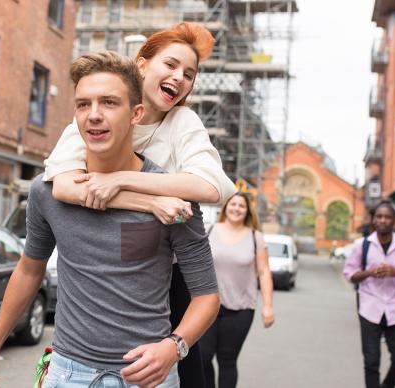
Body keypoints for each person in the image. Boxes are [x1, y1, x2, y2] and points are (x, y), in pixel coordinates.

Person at [0, 52, 220, 388]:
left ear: (136, 113)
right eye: (83, 104)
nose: (94, 115)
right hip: (66, 374)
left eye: (109, 103)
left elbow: (207, 296)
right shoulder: (48, 192)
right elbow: (29, 270)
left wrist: (174, 348)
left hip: (146, 378)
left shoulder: (172, 199)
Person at [43, 23, 236, 386]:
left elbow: (210, 188)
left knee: (191, 370)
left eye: (189, 74)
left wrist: (121, 179)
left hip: (166, 265)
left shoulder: (183, 122)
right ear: (142, 65)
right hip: (103, 263)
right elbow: (63, 187)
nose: (179, 78)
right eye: (171, 65)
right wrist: (150, 203)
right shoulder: (95, 116)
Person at [198, 193, 274, 388]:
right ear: (225, 207)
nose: (237, 208)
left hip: (240, 309)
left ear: (247, 211)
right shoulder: (209, 230)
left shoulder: (255, 237)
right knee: (203, 356)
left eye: (242, 206)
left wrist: (268, 306)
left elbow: (264, 272)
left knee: (227, 360)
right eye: (233, 204)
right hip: (207, 305)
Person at [343, 202, 395, 388]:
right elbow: (350, 276)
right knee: (371, 362)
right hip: (369, 307)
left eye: (387, 217)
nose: (383, 220)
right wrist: (369, 272)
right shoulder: (362, 246)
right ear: (373, 219)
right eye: (379, 216)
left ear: (394, 221)